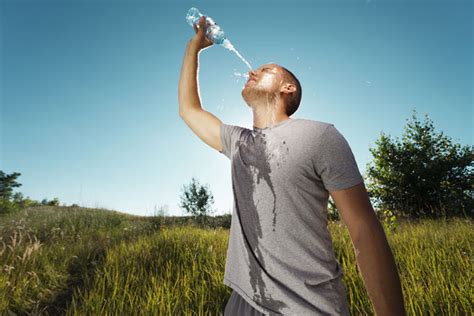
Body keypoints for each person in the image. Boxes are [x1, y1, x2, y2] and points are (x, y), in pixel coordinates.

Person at [178, 16, 407, 316]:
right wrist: (193, 50)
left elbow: (364, 229)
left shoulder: (320, 136)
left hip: (308, 307)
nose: (253, 71)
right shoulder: (239, 142)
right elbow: (189, 110)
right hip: (243, 302)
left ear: (288, 88)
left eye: (267, 70)